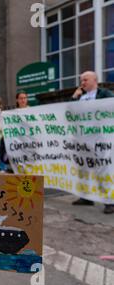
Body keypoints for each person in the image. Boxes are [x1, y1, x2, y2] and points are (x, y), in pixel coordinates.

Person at [71, 71, 114, 215]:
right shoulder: (80, 97)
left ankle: (109, 201)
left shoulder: (105, 94)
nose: (82, 83)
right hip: (84, 141)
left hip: (101, 140)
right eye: (81, 80)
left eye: (85, 80)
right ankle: (86, 197)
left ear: (95, 80)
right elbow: (70, 113)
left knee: (104, 170)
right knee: (83, 168)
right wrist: (74, 98)